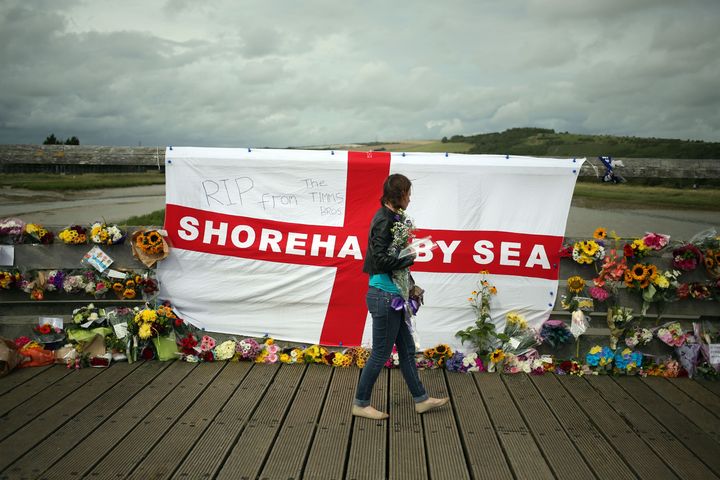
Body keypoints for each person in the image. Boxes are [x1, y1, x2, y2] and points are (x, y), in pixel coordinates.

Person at [352, 173, 449, 420]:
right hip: (384, 296)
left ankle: (421, 399)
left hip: (393, 294)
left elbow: (390, 258)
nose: (410, 198)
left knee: (406, 351)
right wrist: (409, 256)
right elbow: (380, 260)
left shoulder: (393, 218)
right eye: (408, 193)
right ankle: (360, 403)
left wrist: (409, 275)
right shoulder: (384, 221)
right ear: (400, 194)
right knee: (381, 354)